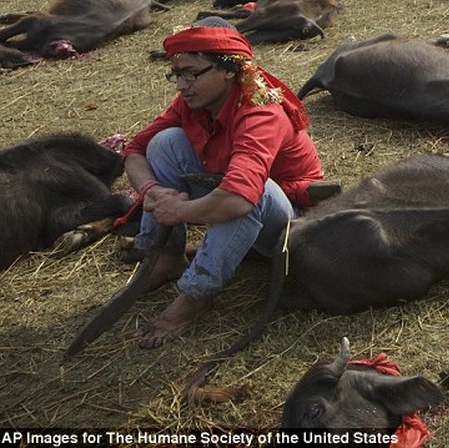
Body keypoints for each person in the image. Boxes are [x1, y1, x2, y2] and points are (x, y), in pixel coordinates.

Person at [123, 18, 330, 348]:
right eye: (177, 74)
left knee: (251, 191)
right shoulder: (194, 102)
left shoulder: (260, 110)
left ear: (231, 70)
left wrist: (179, 210)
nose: (181, 85)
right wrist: (151, 190)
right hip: (233, 193)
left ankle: (196, 294)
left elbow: (238, 200)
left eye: (192, 73)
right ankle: (167, 256)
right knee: (163, 143)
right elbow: (135, 150)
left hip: (289, 227)